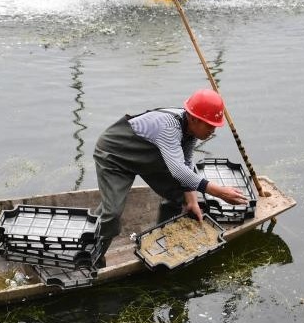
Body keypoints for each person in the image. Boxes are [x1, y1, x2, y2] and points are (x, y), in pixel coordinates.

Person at [93, 88, 248, 256]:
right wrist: (219, 192)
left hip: (146, 159)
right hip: (114, 157)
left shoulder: (191, 130)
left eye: (215, 126)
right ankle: (93, 256)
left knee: (180, 195)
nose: (213, 131)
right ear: (194, 119)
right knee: (112, 213)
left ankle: (162, 241)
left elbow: (186, 164)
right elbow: (178, 171)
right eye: (209, 125)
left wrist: (192, 201)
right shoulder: (169, 126)